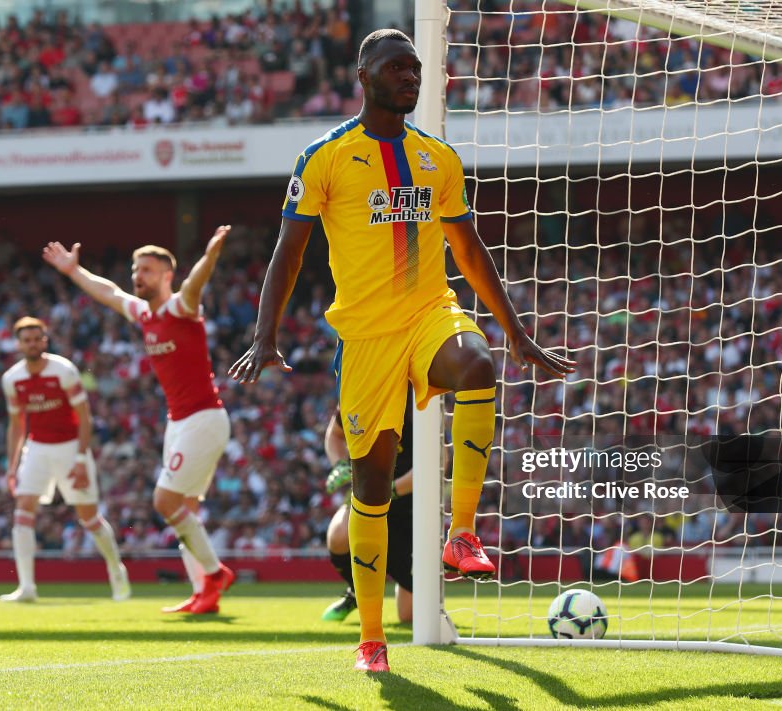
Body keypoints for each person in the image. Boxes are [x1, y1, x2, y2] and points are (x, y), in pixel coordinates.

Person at [229, 29, 575, 672]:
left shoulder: (436, 158)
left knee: (477, 365)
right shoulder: (326, 157)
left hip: (429, 314)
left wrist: (516, 331)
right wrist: (264, 335)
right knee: (372, 486)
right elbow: (290, 250)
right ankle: (370, 639)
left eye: (416, 68)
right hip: (365, 340)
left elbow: (468, 251)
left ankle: (462, 532)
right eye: (396, 67)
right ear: (363, 75)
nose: (410, 77)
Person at [43, 226, 235, 615]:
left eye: (146, 269)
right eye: (135, 268)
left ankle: (215, 573)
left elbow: (195, 283)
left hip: (204, 419)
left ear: (167, 275)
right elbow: (110, 293)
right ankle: (204, 594)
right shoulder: (143, 313)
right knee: (188, 512)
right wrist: (73, 273)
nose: (137, 275)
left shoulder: (181, 307)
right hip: (178, 422)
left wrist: (210, 255)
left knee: (164, 501)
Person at [0, 316, 130, 603]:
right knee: (23, 508)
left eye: (37, 338)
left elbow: (85, 417)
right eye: (26, 340)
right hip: (36, 449)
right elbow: (17, 425)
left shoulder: (64, 370)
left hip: (71, 448)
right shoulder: (12, 379)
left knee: (88, 517)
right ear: (18, 344)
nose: (32, 344)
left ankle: (116, 570)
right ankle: (27, 587)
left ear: (45, 340)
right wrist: (12, 466)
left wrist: (82, 458)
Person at [322, 399, 413, 625]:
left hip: (411, 498)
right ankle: (357, 591)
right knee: (339, 535)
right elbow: (334, 435)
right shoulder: (356, 395)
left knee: (409, 616)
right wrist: (340, 465)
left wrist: (391, 490)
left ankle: (412, 584)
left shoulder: (417, 403)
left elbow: (439, 459)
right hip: (367, 488)